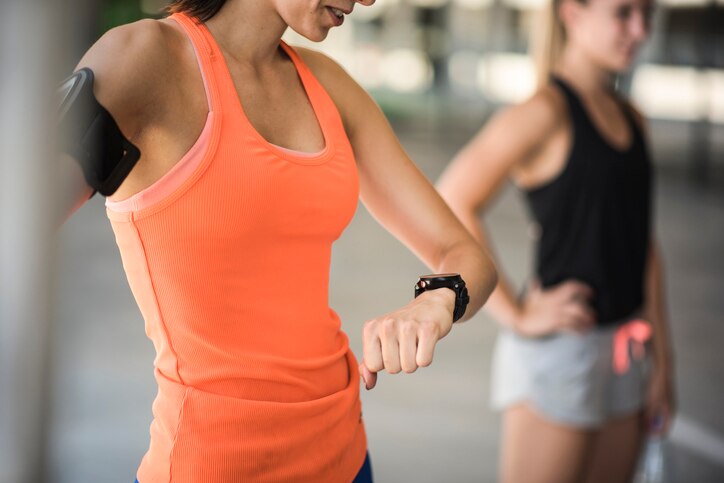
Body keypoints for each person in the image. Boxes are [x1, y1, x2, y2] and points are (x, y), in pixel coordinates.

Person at [57, 0, 497, 482]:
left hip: (346, 458)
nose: (369, 0)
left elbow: (466, 255)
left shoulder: (329, 86)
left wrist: (436, 302)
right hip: (211, 465)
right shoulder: (145, 58)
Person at [436, 0, 675, 481]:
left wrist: (663, 365)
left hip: (627, 350)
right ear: (573, 12)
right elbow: (453, 198)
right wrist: (517, 315)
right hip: (563, 351)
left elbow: (642, 246)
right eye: (624, 13)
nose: (640, 29)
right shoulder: (543, 112)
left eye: (647, 14)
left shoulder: (633, 117)